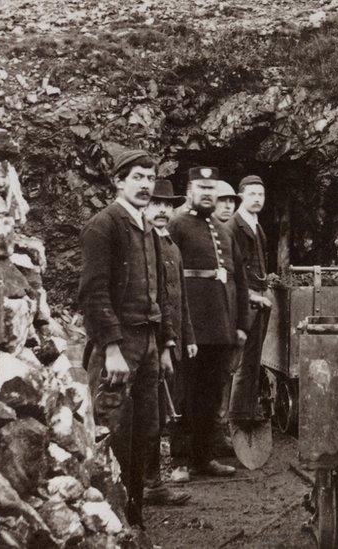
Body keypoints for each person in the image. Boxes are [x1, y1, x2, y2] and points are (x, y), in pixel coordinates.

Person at [78, 148, 175, 526]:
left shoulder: (148, 229)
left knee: (146, 432)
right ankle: (110, 521)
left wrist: (165, 345)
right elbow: (94, 293)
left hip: (148, 346)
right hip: (118, 349)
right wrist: (112, 348)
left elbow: (160, 293)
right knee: (113, 430)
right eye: (137, 177)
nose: (146, 185)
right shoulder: (104, 226)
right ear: (118, 181)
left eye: (150, 178)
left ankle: (134, 520)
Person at [168, 166, 249, 482]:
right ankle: (180, 461)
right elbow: (170, 278)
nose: (206, 193)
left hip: (221, 327)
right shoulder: (177, 224)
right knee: (185, 392)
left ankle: (204, 458)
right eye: (201, 187)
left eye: (211, 188)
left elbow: (238, 279)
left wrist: (241, 324)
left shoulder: (223, 228)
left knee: (212, 394)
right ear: (190, 190)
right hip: (191, 326)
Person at [142, 179, 195, 506]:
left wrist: (184, 336)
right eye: (155, 203)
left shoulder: (172, 246)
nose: (162, 209)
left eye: (167, 204)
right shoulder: (144, 245)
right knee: (148, 413)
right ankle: (148, 483)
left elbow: (180, 298)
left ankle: (153, 482)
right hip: (151, 341)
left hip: (171, 341)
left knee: (161, 410)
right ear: (146, 207)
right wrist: (162, 343)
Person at [227, 175, 273, 428]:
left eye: (261, 194)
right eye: (252, 194)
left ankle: (244, 412)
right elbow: (232, 271)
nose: (257, 198)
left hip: (259, 300)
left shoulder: (256, 225)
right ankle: (234, 416)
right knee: (240, 359)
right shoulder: (234, 226)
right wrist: (251, 296)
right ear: (241, 196)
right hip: (245, 302)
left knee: (254, 358)